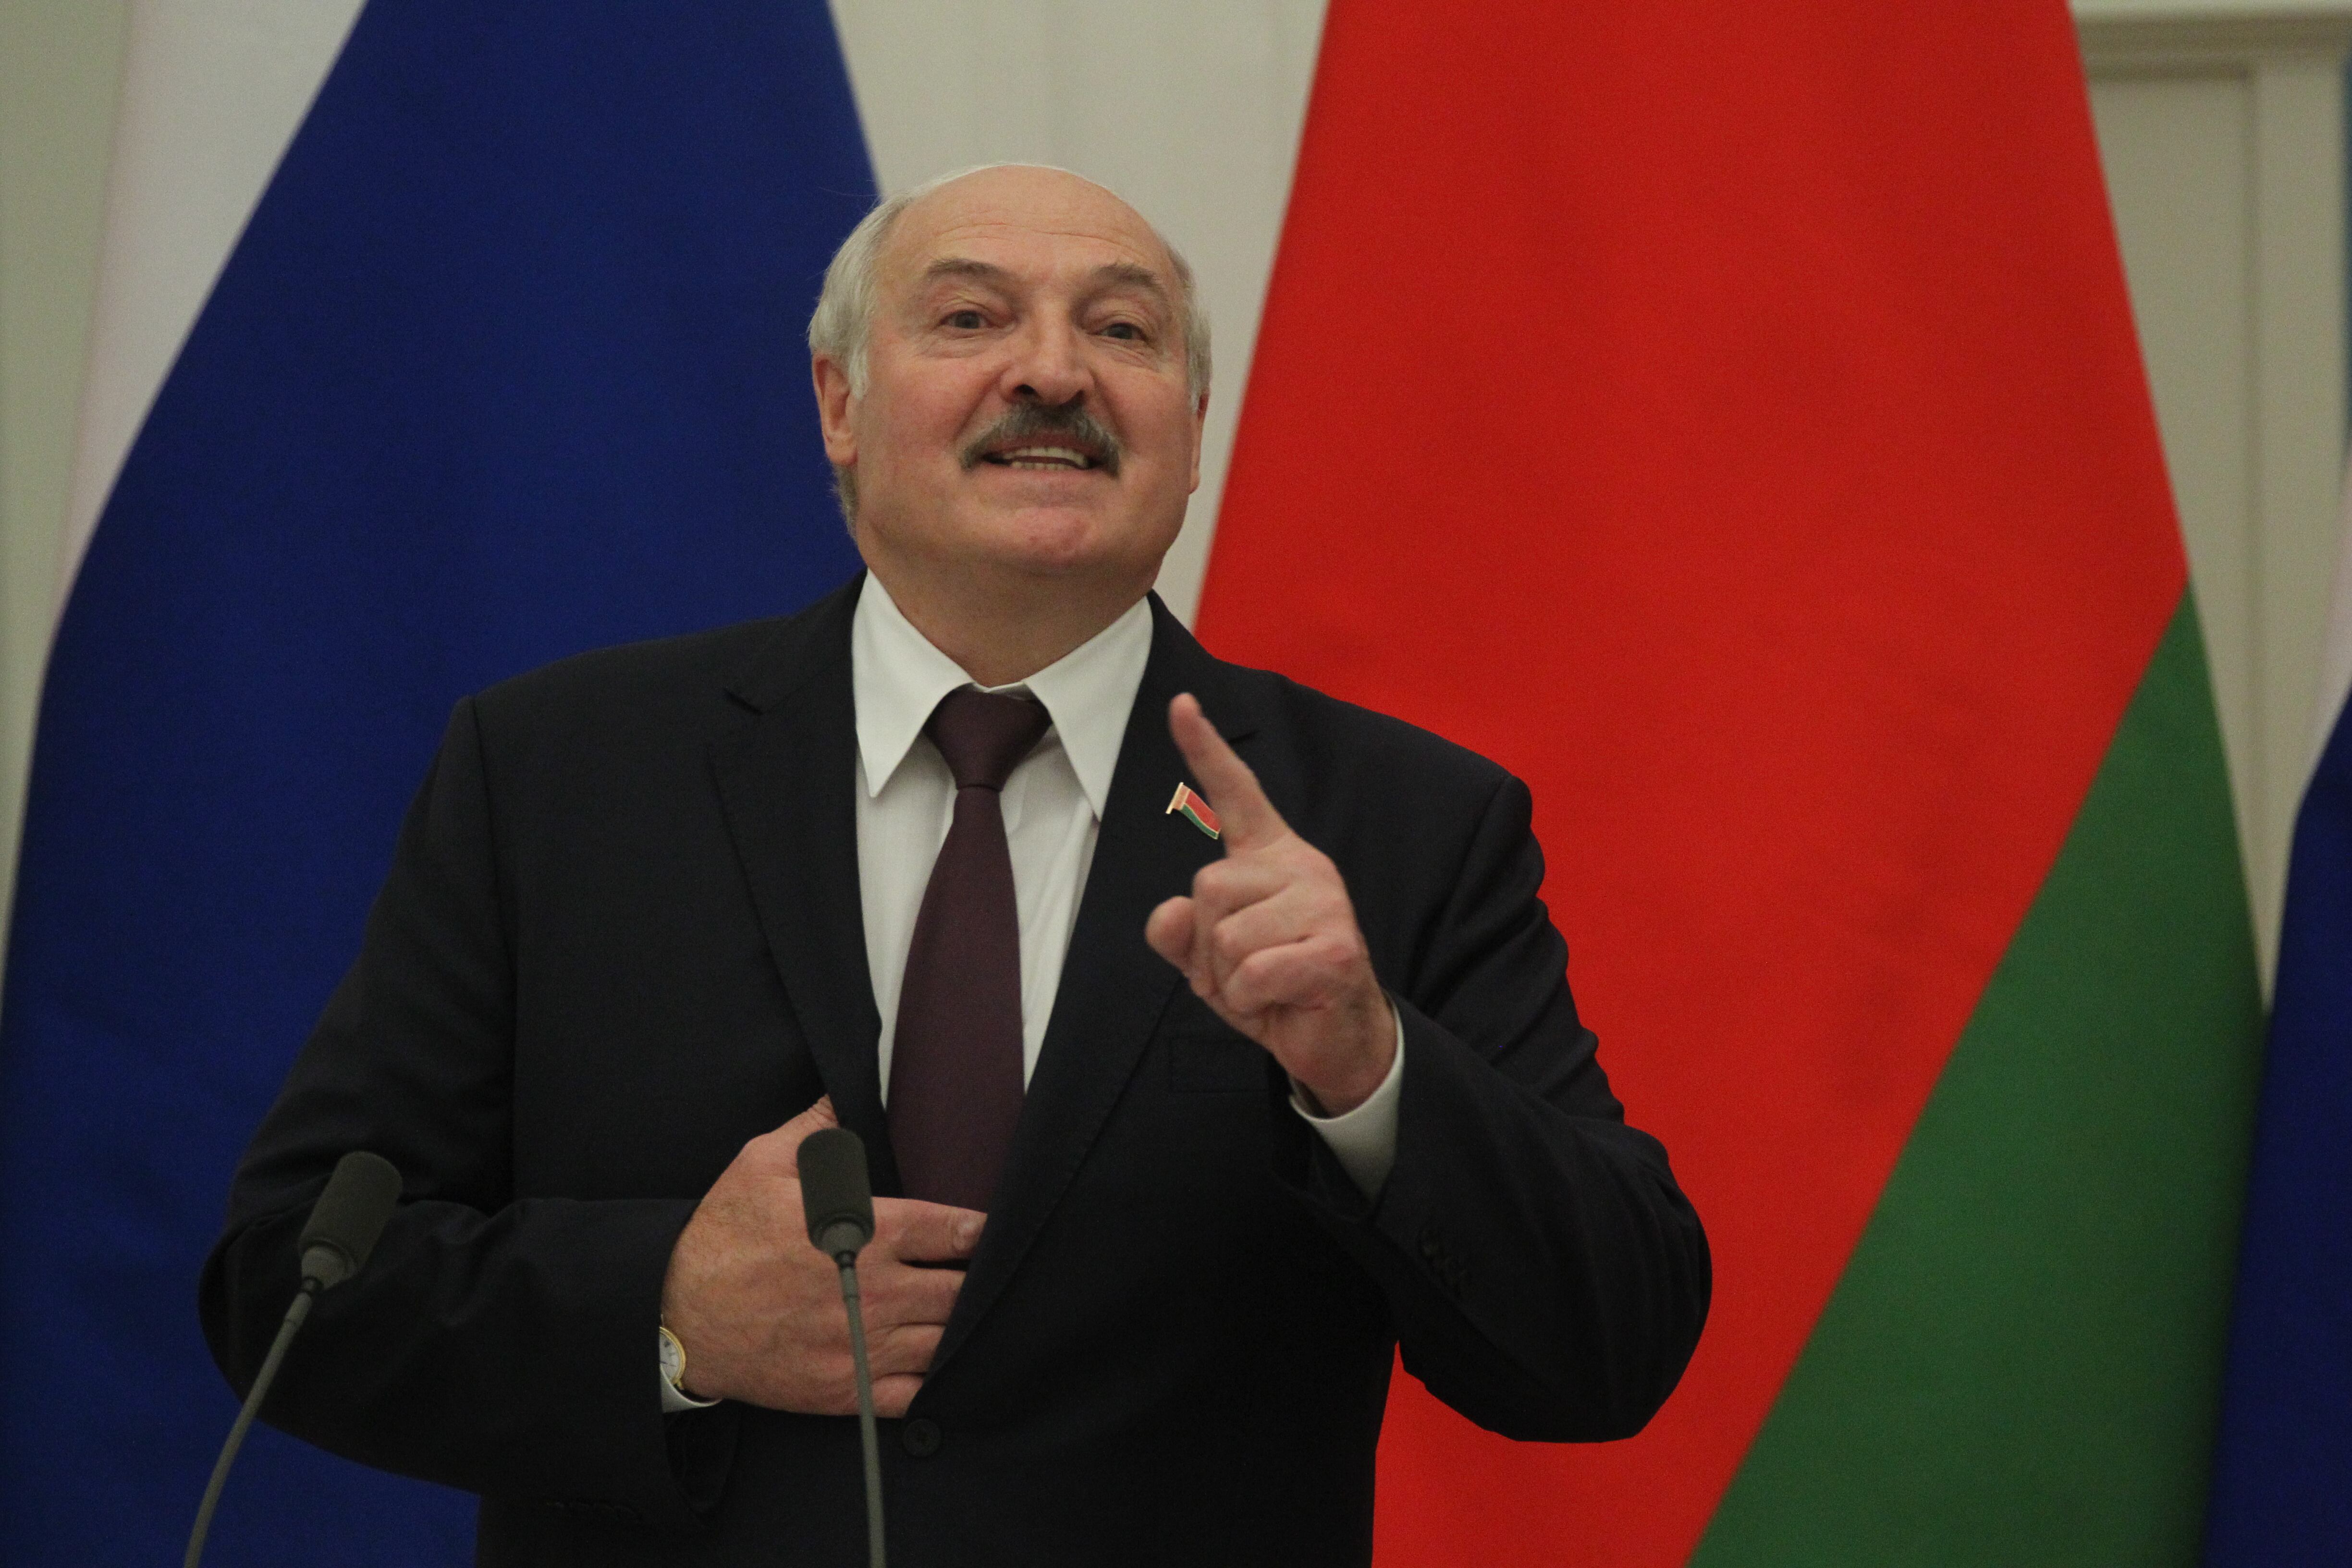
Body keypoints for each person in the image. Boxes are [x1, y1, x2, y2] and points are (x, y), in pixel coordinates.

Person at [201, 164, 1709, 1566]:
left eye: (1121, 327)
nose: (1052, 371)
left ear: (1190, 418)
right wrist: (668, 1321)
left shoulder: (1393, 824)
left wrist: (1371, 1074)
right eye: (972, 316)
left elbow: (1609, 1345)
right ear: (840, 404)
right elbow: (290, 1284)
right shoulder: (557, 775)